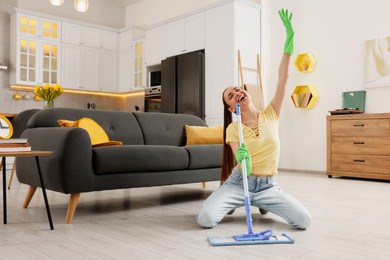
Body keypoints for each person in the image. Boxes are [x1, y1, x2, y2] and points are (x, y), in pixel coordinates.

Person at [197, 9, 311, 230]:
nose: (237, 92)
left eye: (237, 88)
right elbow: (244, 168)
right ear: (231, 107)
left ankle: (264, 203)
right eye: (231, 95)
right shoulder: (233, 129)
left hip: (268, 186)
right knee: (206, 219)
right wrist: (242, 159)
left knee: (304, 220)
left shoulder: (271, 114)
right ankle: (228, 198)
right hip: (241, 184)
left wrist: (289, 42)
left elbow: (283, 78)